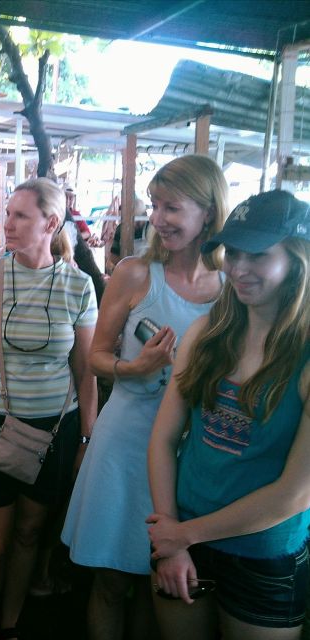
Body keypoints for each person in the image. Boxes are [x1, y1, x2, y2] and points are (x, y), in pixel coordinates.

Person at [61, 155, 228, 640]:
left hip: (190, 452)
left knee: (159, 584)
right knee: (112, 579)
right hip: (126, 444)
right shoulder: (136, 273)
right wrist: (133, 368)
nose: (157, 219)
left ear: (208, 213)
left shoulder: (229, 290)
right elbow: (95, 356)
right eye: (155, 206)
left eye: (171, 208)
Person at [147, 190, 310, 640]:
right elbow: (162, 440)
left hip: (262, 554)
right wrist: (171, 537)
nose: (238, 268)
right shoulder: (206, 332)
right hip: (183, 535)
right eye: (232, 252)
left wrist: (182, 536)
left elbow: (294, 496)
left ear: (296, 259)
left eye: (257, 254)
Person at [0, 178, 98, 640]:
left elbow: (86, 374)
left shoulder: (78, 286)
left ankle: (11, 623)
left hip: (55, 428)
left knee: (30, 535)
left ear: (50, 223)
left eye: (20, 216)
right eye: (7, 213)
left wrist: (86, 440)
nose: (6, 223)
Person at [106, 197, 150, 274]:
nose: (135, 224)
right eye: (132, 220)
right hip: (128, 272)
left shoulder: (152, 228)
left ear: (145, 215)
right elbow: (113, 255)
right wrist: (128, 267)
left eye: (138, 220)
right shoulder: (121, 229)